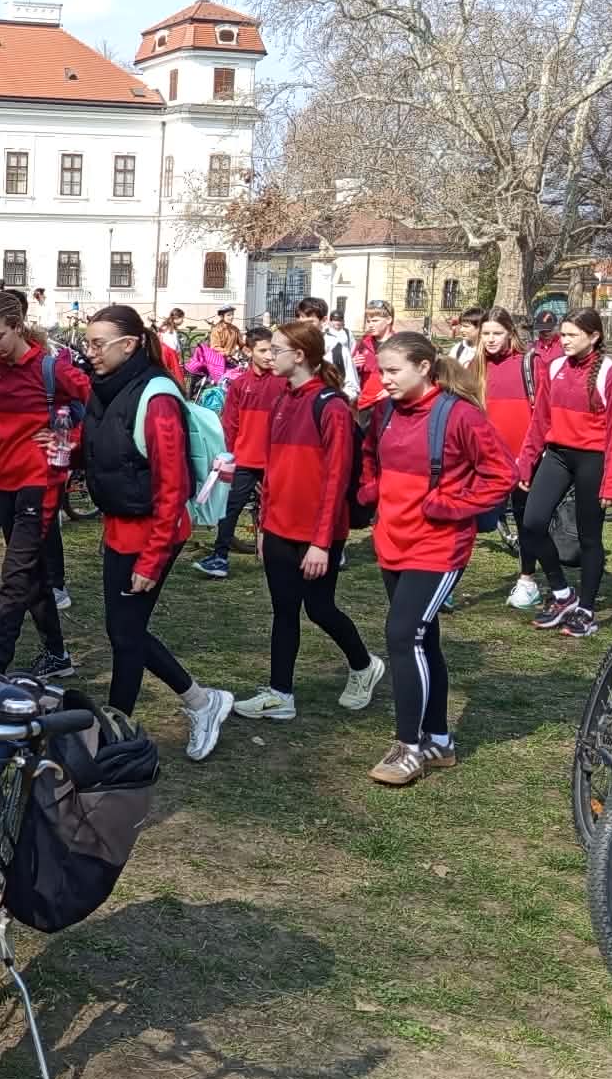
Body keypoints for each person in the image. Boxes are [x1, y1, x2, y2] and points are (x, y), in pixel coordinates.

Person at [358, 333, 514, 785]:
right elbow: (370, 457)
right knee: (422, 640)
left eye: (393, 371)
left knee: (402, 635)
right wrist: (372, 492)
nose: (384, 380)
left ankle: (408, 747)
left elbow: (502, 474)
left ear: (424, 367)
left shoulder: (459, 415)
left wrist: (450, 505)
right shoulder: (385, 412)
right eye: (380, 371)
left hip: (438, 546)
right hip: (393, 540)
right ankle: (440, 740)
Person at [81, 304, 234, 759]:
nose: (89, 352)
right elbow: (107, 447)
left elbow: (173, 487)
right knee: (123, 630)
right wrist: (67, 450)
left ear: (129, 345)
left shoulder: (158, 398)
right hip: (120, 527)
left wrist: (152, 559)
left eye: (98, 344)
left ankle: (119, 735)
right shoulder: (106, 387)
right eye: (87, 343)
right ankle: (195, 704)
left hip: (153, 533)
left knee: (127, 634)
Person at [231, 322, 384, 724]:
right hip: (279, 528)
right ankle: (280, 693)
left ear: (298, 356)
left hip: (316, 533)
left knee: (319, 608)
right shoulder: (282, 398)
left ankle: (364, 664)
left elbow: (336, 478)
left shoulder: (331, 407)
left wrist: (321, 542)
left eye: (276, 349)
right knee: (284, 610)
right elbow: (272, 469)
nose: (269, 355)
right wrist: (265, 524)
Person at [0, 290, 92, 680]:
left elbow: (98, 403)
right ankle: (57, 656)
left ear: (17, 327)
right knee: (32, 574)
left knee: (14, 577)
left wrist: (67, 439)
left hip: (39, 484)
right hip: (4, 481)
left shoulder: (50, 368)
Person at [518, 308, 612, 638]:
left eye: (571, 335)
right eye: (562, 334)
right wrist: (527, 461)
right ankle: (563, 594)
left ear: (593, 337)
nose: (563, 340)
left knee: (589, 537)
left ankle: (587, 610)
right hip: (557, 455)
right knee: (532, 523)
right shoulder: (554, 367)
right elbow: (540, 420)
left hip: (592, 460)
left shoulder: (610, 374)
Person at [196, 326, 280, 578]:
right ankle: (220, 557)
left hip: (275, 460)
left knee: (276, 509)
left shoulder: (282, 382)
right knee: (230, 508)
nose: (269, 356)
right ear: (249, 351)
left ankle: (279, 557)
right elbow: (230, 424)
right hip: (244, 459)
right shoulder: (240, 384)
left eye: (272, 350)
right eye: (263, 350)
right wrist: (228, 454)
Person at [476, 310, 542, 610]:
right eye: (486, 334)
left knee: (526, 519)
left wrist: (529, 455)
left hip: (523, 457)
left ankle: (528, 580)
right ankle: (446, 578)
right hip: (487, 458)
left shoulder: (530, 363)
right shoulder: (476, 365)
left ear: (510, 333)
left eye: (497, 333)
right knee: (470, 519)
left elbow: (541, 414)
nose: (491, 339)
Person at [295, 296, 355, 397]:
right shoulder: (291, 347)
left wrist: (331, 401)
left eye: (310, 322)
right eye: (301, 323)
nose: (305, 328)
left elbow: (352, 387)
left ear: (323, 320)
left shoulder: (337, 350)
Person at [352, 299, 395, 412]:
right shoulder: (363, 344)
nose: (370, 325)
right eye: (368, 321)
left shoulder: (399, 344)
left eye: (375, 320)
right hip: (365, 404)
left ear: (389, 320)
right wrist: (353, 365)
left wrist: (392, 391)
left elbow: (410, 375)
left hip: (390, 403)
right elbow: (351, 376)